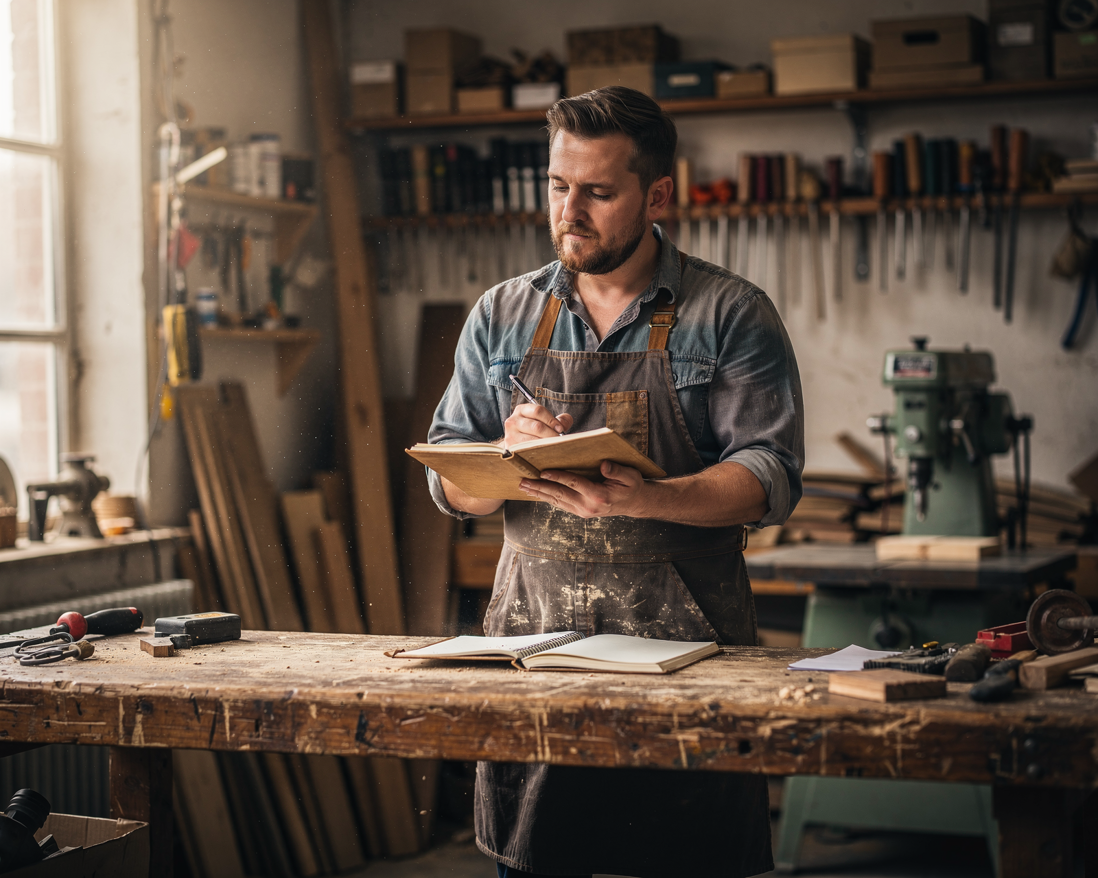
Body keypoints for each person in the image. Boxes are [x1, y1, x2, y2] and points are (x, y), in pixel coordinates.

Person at [426, 86, 804, 878]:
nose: (571, 210)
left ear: (657, 194)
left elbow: (769, 477)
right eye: (559, 186)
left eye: (598, 192)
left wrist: (649, 496)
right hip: (537, 657)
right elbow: (453, 484)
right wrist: (505, 457)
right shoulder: (501, 314)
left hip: (690, 662)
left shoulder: (729, 313)